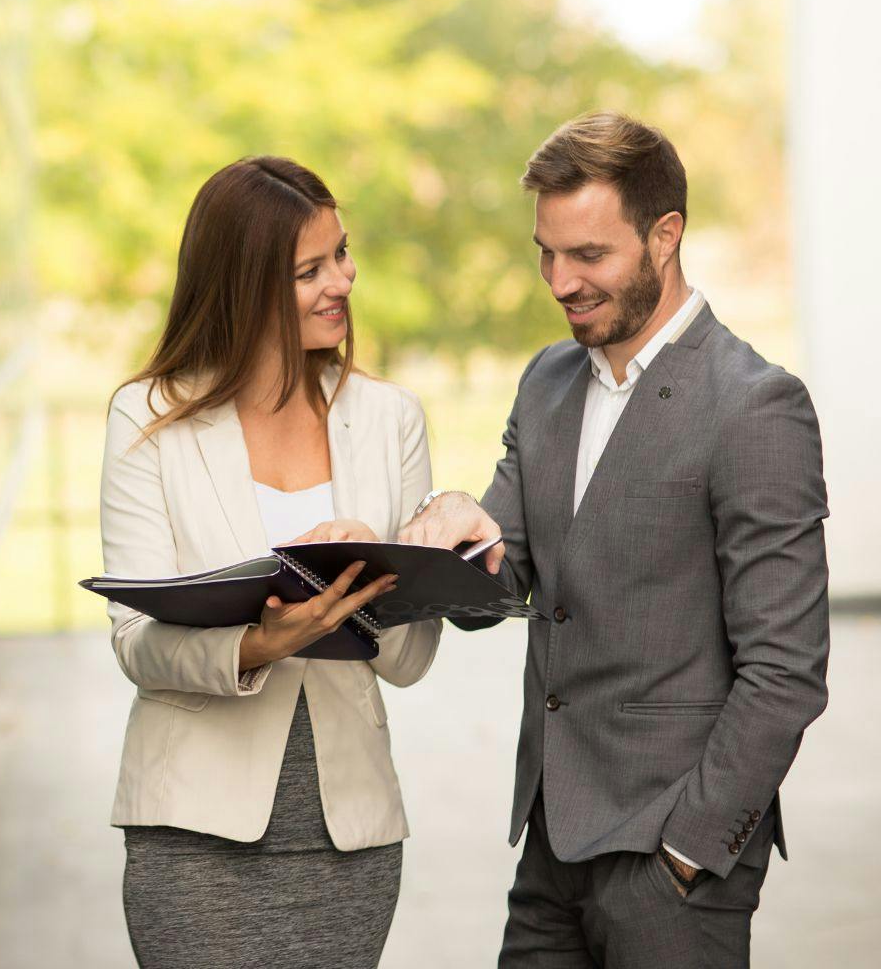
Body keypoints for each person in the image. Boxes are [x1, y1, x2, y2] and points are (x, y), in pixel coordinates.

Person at [398, 112, 830, 968]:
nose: (561, 281)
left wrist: (692, 849)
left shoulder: (755, 406)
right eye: (546, 254)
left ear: (664, 235)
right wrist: (452, 537)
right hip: (552, 843)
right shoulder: (547, 381)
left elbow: (785, 671)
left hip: (675, 864)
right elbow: (504, 584)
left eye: (589, 256)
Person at [99, 155, 442, 969]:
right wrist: (259, 644)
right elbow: (135, 644)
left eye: (342, 255)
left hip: (347, 840)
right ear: (244, 285)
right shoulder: (148, 420)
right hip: (192, 836)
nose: (343, 282)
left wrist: (372, 575)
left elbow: (412, 659)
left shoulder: (390, 419)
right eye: (309, 270)